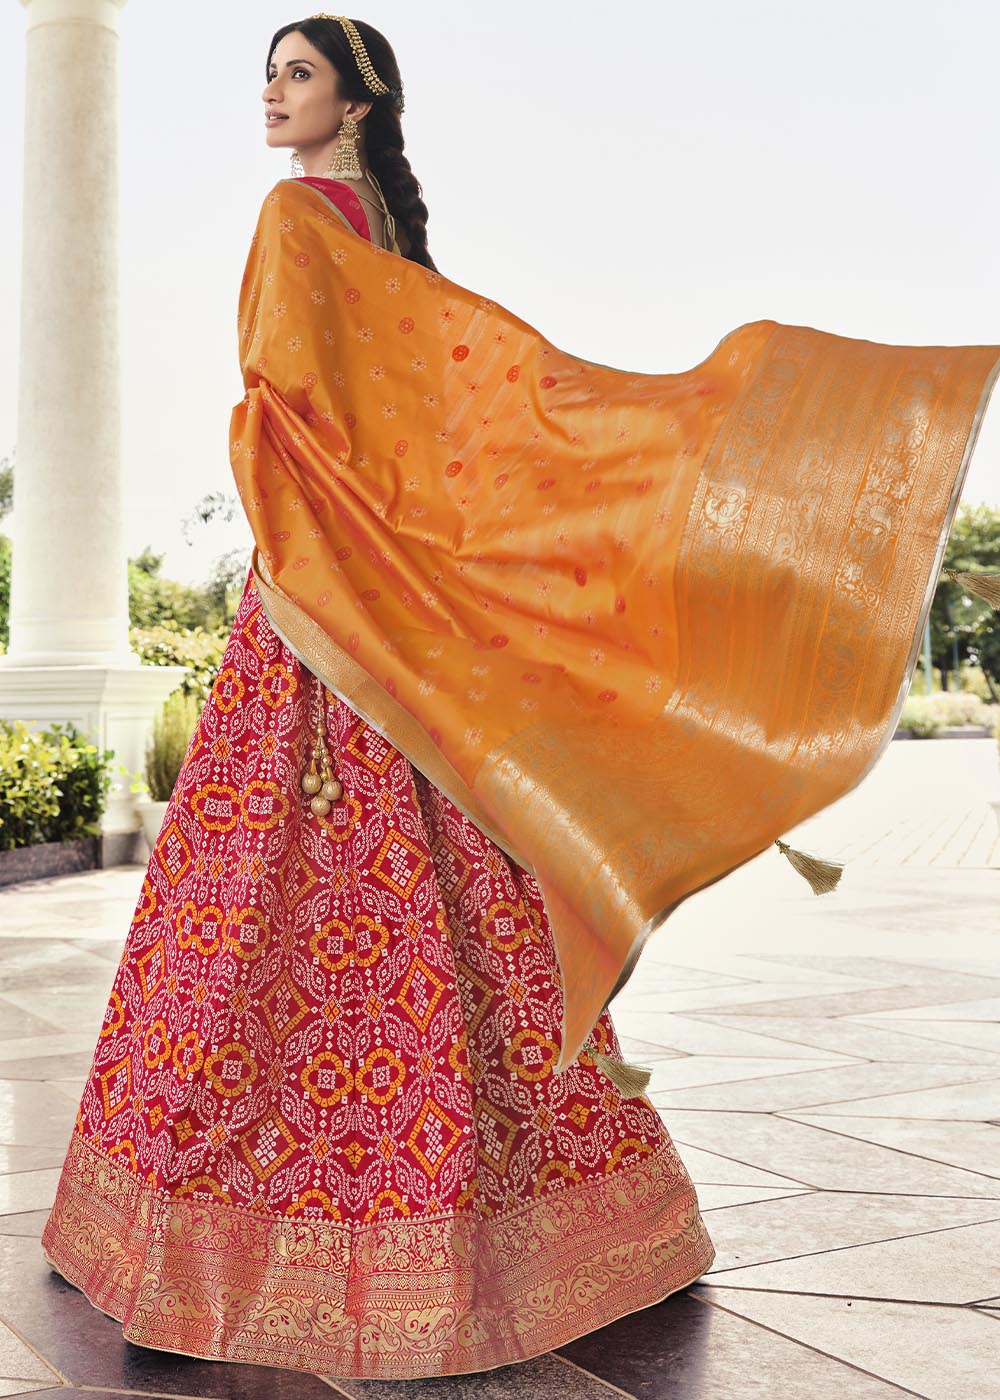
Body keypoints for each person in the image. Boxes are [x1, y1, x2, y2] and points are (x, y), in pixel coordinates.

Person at [40, 15, 719, 1380]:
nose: (271, 95)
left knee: (255, 913)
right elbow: (412, 431)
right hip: (389, 596)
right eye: (271, 73)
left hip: (315, 593)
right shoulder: (387, 239)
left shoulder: (299, 220)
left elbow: (284, 409)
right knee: (452, 898)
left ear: (359, 96)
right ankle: (537, 1219)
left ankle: (215, 1227)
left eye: (296, 73)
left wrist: (299, 572)